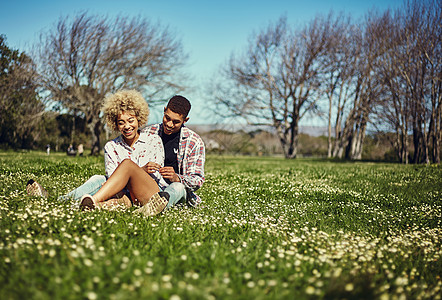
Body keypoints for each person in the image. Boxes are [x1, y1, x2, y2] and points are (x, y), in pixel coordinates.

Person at [27, 89, 167, 209]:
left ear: (138, 119)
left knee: (127, 165)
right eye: (121, 122)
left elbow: (156, 176)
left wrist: (137, 171)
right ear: (115, 124)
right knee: (98, 178)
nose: (127, 126)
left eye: (131, 120)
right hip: (124, 194)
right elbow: (112, 180)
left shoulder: (153, 141)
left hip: (150, 195)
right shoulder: (111, 146)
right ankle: (59, 201)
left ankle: (93, 200)